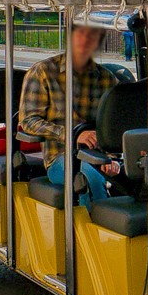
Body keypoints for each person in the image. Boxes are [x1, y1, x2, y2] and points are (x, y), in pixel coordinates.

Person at [19, 25, 121, 204]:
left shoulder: (107, 78)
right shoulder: (43, 71)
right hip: (61, 156)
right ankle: (92, 231)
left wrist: (112, 158)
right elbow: (29, 121)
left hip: (98, 154)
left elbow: (115, 124)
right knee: (88, 180)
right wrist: (73, 134)